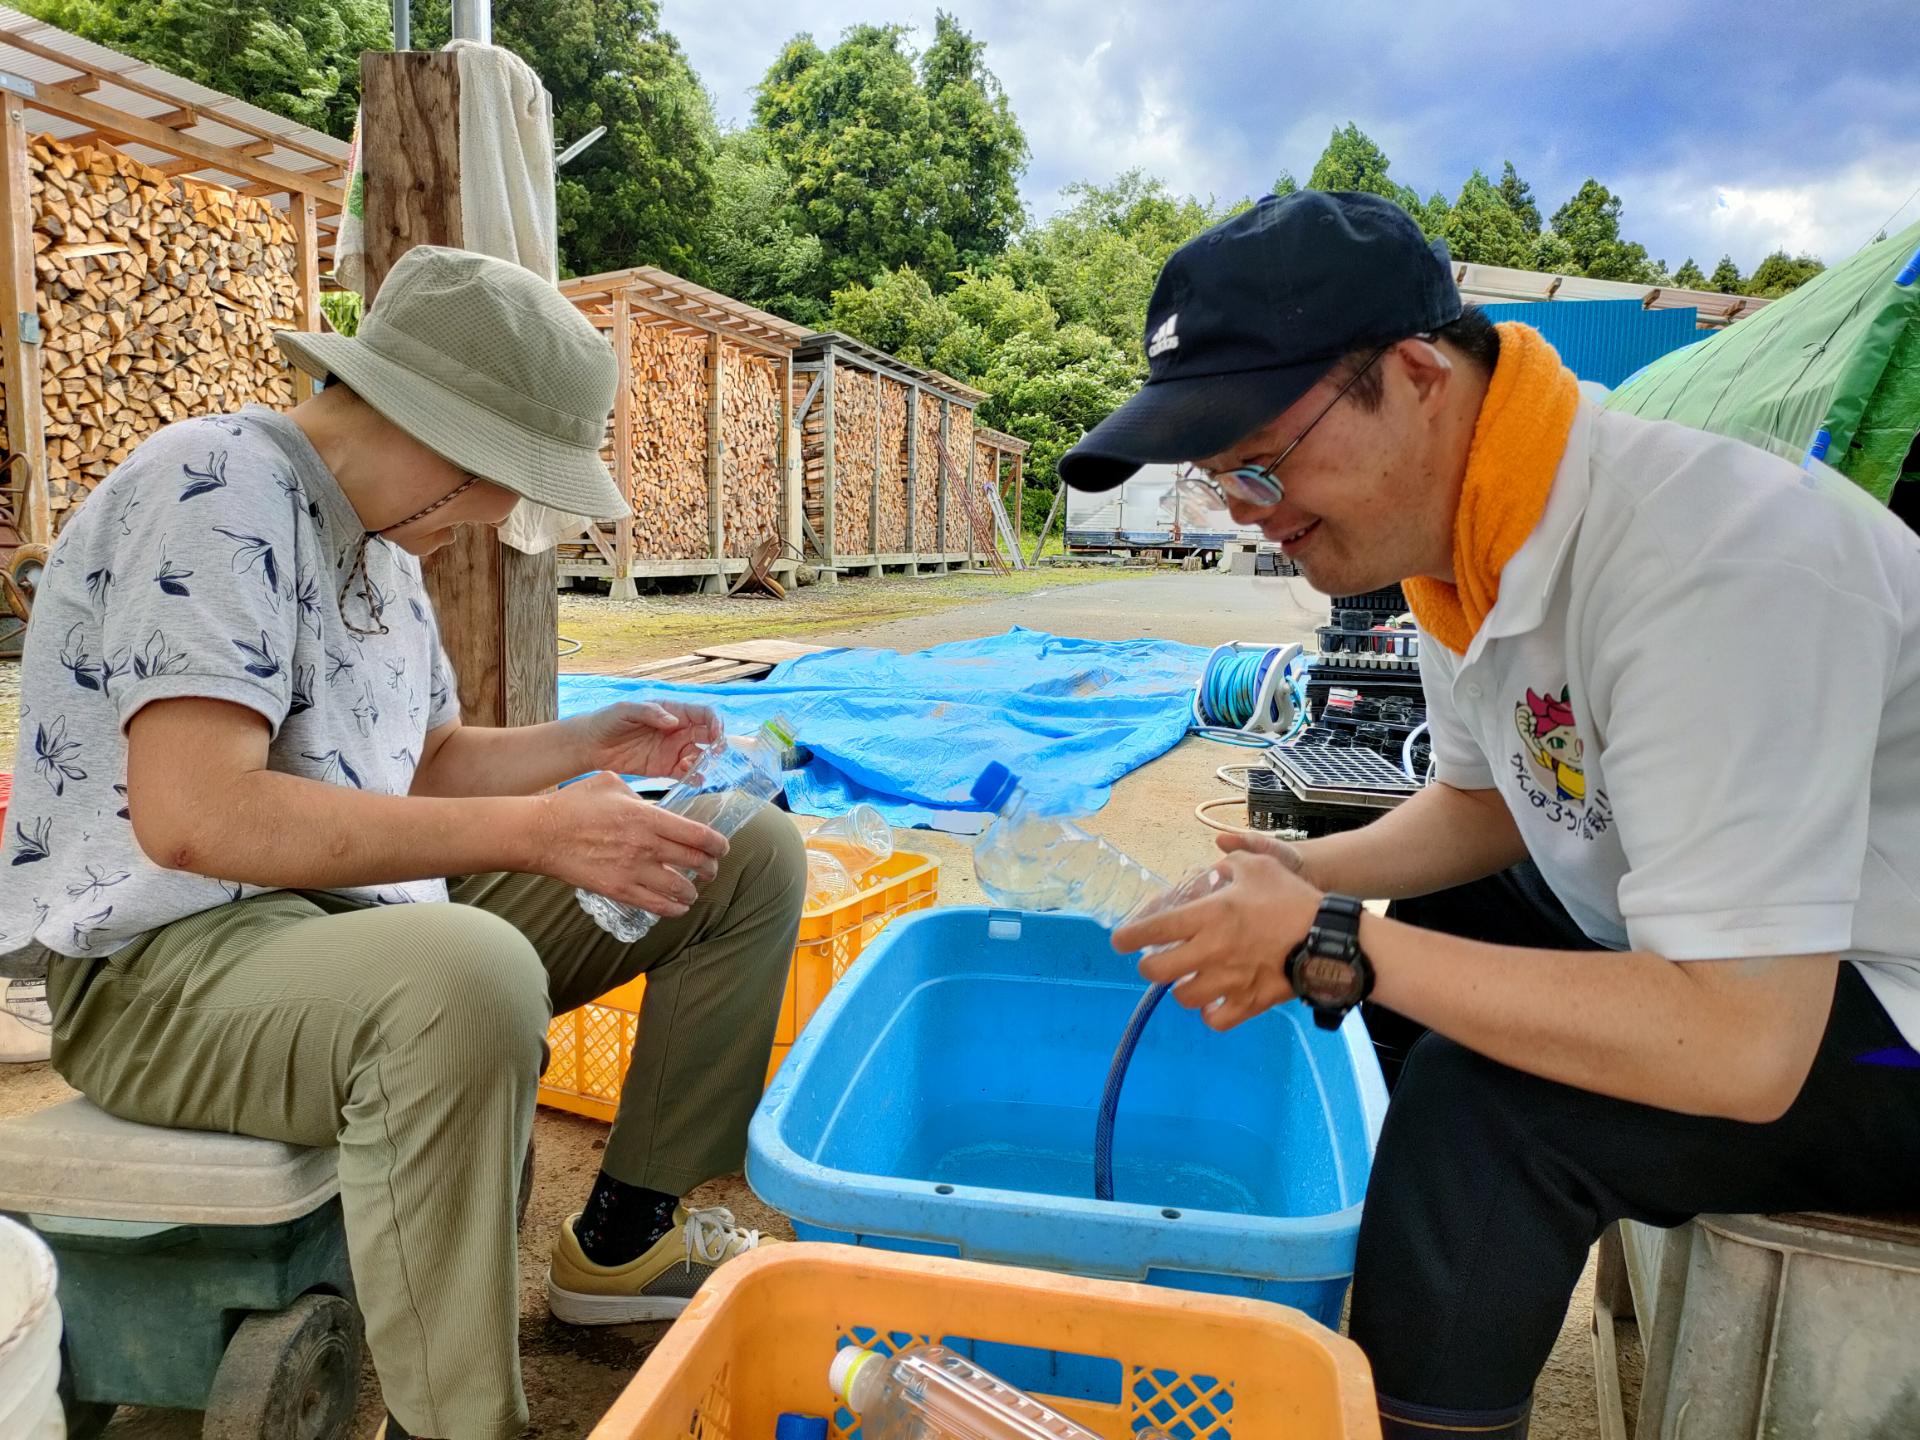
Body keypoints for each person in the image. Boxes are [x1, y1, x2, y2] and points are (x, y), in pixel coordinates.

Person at [1060, 191, 1920, 1440]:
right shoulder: (1473, 544)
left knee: (1488, 1106)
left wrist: (1332, 940)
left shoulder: (1713, 563)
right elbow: (1487, 804)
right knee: (1445, 922)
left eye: (1261, 459)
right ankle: (1391, 1300)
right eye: (1218, 476)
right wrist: (1295, 871)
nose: (1246, 505)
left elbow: (1742, 1043)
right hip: (1776, 950)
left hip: (1886, 1005)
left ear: (1414, 374)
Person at [0, 246, 806, 1440]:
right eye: (507, 482)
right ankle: (463, 1424)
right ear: (448, 442)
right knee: (468, 974)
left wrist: (592, 742)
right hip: (163, 964)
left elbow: (422, 766)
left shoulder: (380, 546)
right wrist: (534, 833)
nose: (499, 515)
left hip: (342, 911)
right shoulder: (214, 490)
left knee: (740, 852)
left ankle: (621, 1245)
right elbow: (197, 815)